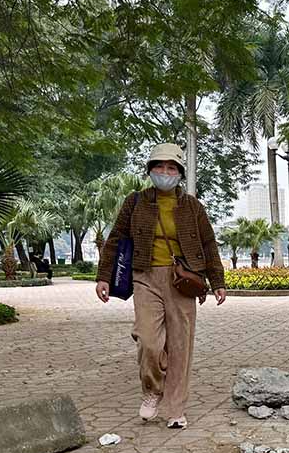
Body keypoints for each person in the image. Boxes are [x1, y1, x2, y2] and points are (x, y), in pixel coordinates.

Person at [95, 143, 226, 430]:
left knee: (181, 346)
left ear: (179, 172)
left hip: (183, 279)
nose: (164, 172)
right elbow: (116, 238)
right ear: (150, 170)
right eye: (159, 166)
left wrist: (217, 281)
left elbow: (208, 244)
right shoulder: (136, 202)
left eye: (171, 167)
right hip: (145, 276)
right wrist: (104, 276)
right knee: (149, 341)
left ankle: (176, 409)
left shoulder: (192, 206)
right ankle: (152, 390)